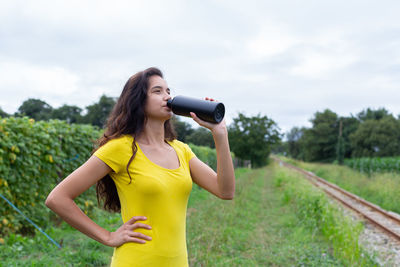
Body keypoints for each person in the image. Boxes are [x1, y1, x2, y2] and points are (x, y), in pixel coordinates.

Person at [45, 67, 235, 266]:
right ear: (137, 101)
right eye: (157, 91)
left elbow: (226, 191)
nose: (167, 97)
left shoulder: (182, 150)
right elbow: (57, 198)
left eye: (168, 91)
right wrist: (108, 237)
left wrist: (220, 134)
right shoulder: (120, 149)